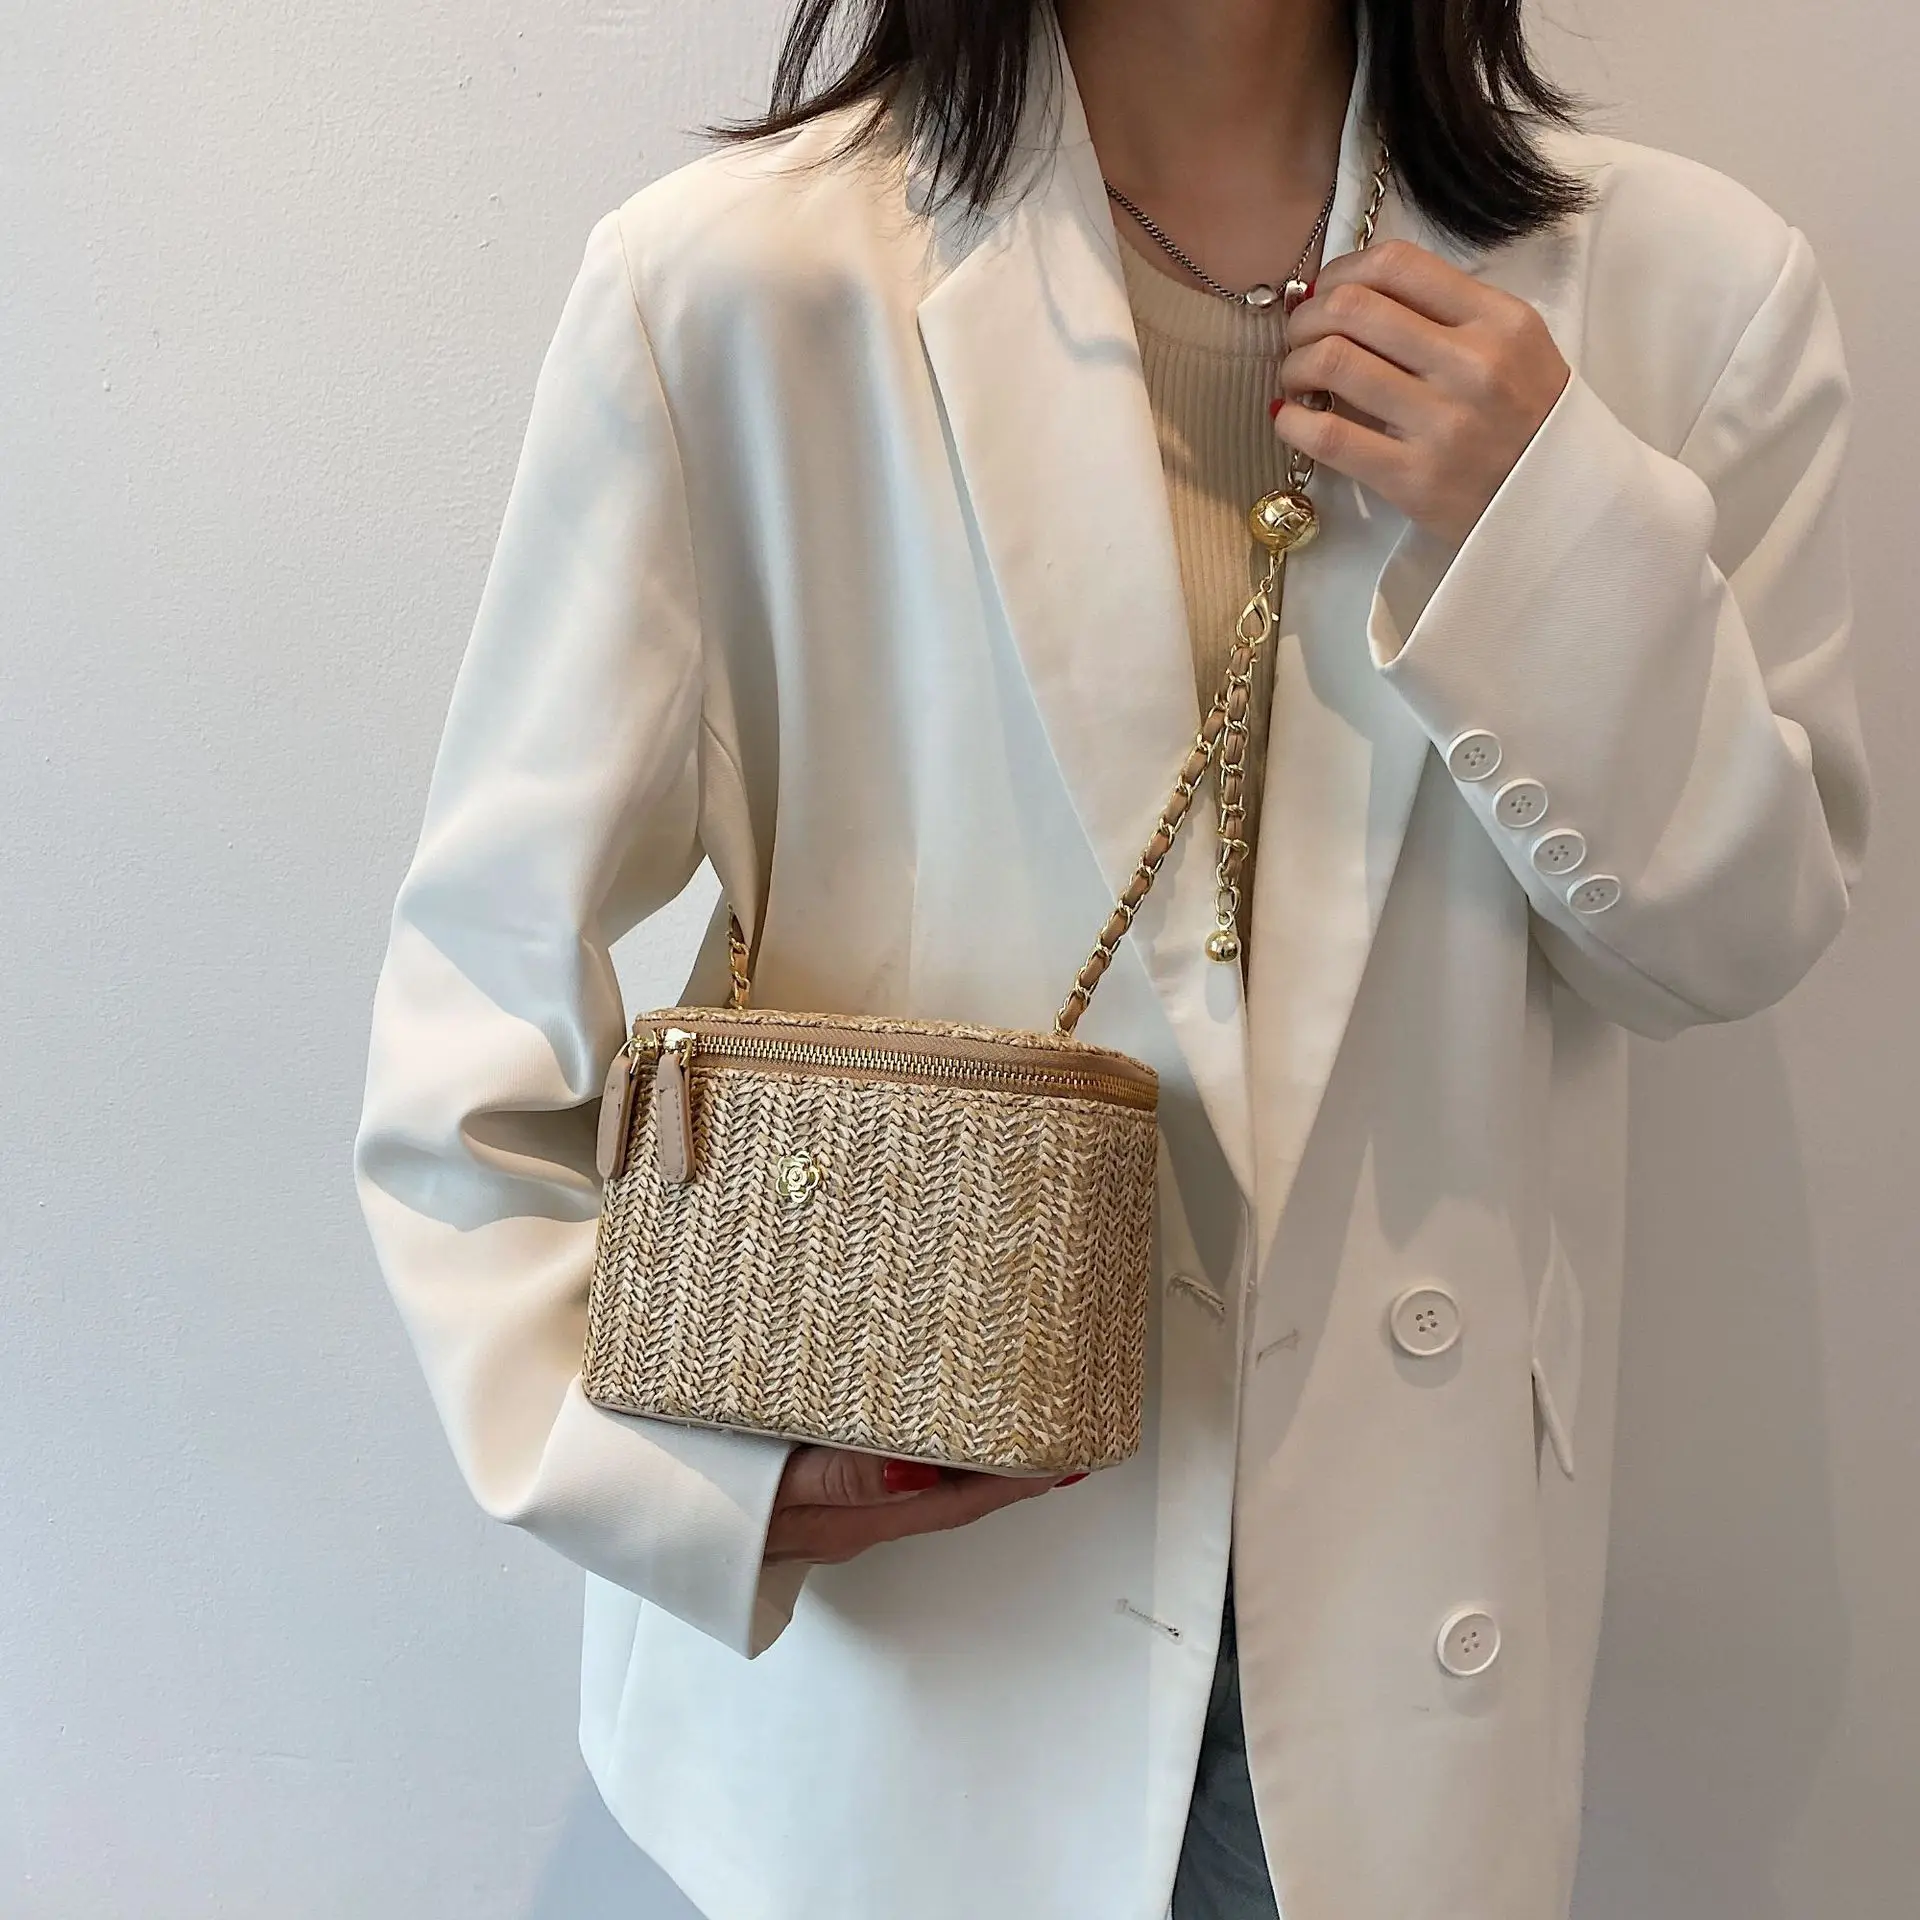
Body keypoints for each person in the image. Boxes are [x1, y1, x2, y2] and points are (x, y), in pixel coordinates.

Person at [350, 1, 1870, 1915]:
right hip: (917, 1637)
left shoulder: (1688, 294)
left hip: (1403, 1647)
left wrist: (1547, 528)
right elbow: (479, 998)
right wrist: (677, 1474)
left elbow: (1733, 935)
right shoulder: (740, 287)